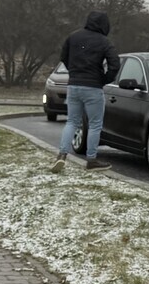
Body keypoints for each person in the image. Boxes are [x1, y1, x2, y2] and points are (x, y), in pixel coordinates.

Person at [51, 10, 120, 172]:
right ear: (105, 25)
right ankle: (91, 160)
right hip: (93, 88)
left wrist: (74, 72)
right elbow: (115, 64)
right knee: (95, 124)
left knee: (72, 121)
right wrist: (104, 79)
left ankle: (62, 155)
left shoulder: (73, 36)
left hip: (73, 86)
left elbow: (63, 56)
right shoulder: (104, 42)